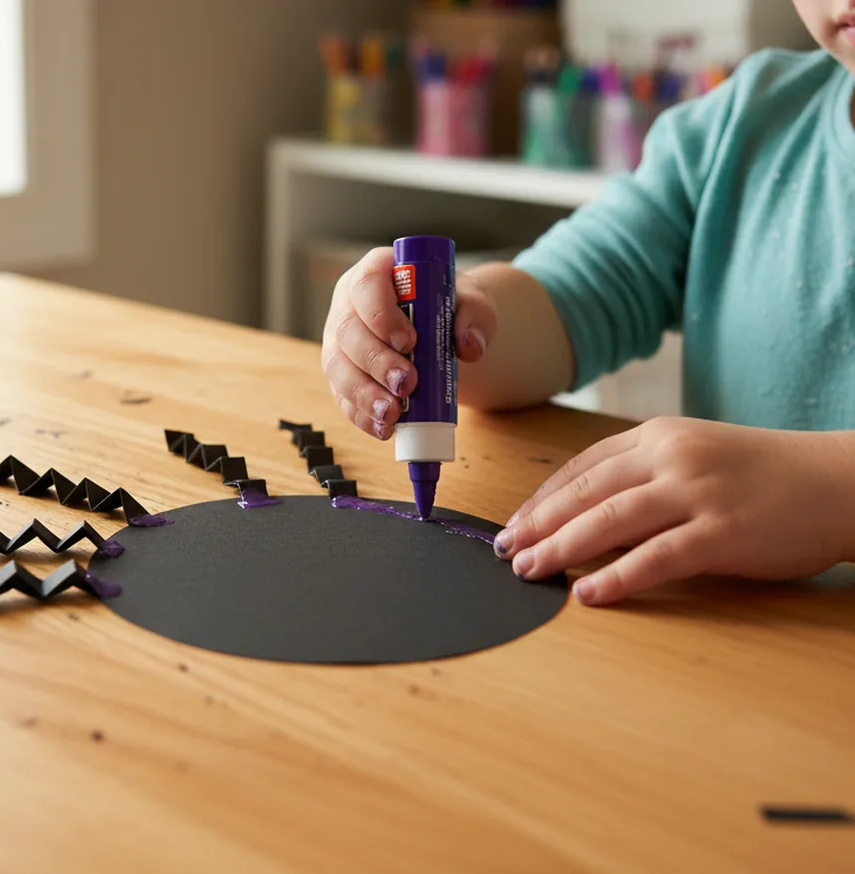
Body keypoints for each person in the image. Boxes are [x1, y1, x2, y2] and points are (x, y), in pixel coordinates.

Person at [321, 0, 855, 607]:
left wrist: (831, 488)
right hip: (730, 637)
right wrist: (443, 316)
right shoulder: (745, 124)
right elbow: (567, 295)